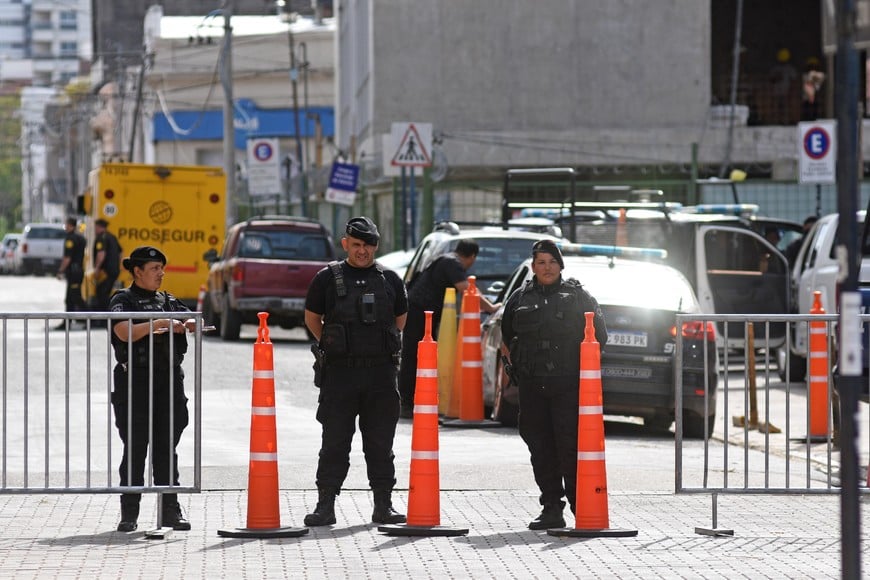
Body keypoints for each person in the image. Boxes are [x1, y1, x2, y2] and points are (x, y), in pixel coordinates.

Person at [303, 216, 408, 526]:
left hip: (380, 374)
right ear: (345, 243)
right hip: (340, 375)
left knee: (380, 444)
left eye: (368, 245)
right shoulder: (326, 278)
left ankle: (383, 505)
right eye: (357, 244)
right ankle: (325, 506)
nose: (363, 251)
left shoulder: (390, 279)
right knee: (334, 443)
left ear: (376, 246)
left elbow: (400, 320)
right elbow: (312, 318)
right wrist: (333, 344)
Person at [500, 239, 607, 530]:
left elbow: (600, 337)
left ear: (560, 265)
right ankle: (551, 507)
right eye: (541, 263)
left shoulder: (579, 296)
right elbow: (507, 336)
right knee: (540, 446)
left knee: (570, 446)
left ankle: (582, 507)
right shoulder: (520, 298)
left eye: (552, 262)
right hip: (532, 385)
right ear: (533, 267)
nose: (547, 268)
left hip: (568, 385)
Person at [109, 246, 196, 532]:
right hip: (135, 381)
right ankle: (129, 513)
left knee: (166, 447)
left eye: (161, 268)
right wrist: (156, 323)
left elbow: (192, 319)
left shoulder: (168, 300)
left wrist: (188, 323)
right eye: (154, 268)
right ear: (137, 271)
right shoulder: (123, 299)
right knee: (135, 447)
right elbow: (123, 332)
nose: (161, 273)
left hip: (167, 380)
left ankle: (170, 511)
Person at [397, 238, 501, 418]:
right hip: (418, 312)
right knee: (414, 356)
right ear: (472, 257)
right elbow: (466, 289)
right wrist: (491, 308)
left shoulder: (446, 259)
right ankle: (406, 403)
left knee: (419, 356)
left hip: (421, 312)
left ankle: (412, 401)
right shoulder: (452, 263)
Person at [55, 216, 86, 328]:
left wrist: (60, 270)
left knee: (75, 298)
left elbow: (67, 258)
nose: (65, 227)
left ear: (70, 225)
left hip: (73, 272)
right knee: (71, 298)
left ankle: (90, 319)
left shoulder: (70, 239)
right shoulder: (80, 237)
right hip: (78, 271)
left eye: (66, 224)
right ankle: (68, 322)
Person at [91, 218, 121, 314]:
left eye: (96, 227)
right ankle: (106, 316)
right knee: (106, 293)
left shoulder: (101, 238)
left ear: (99, 227)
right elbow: (120, 252)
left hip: (105, 272)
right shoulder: (112, 237)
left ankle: (103, 317)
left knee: (101, 294)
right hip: (114, 271)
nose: (95, 229)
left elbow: (101, 254)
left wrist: (96, 269)